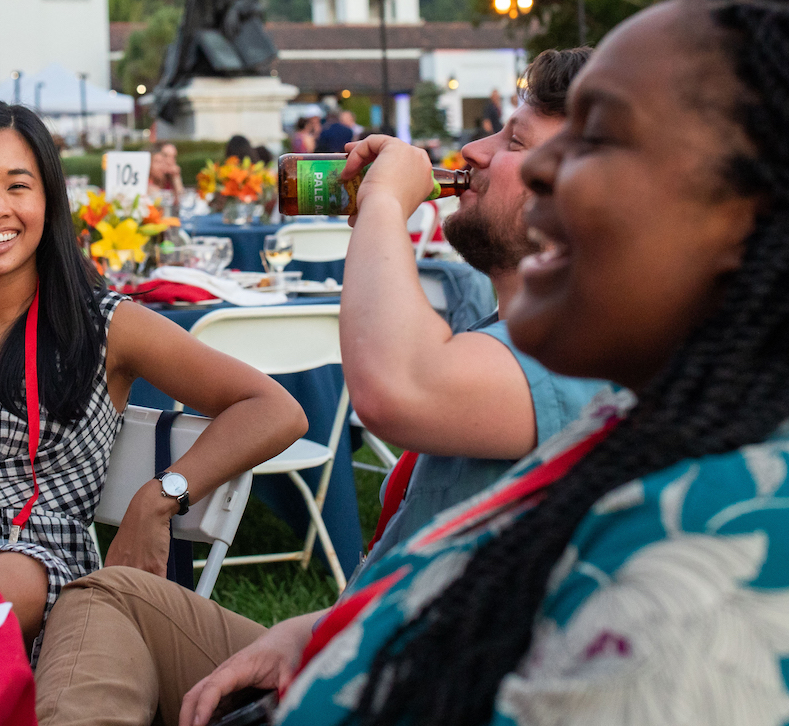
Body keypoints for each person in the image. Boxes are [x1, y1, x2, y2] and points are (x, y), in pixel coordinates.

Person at [268, 0, 789, 724]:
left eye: (597, 137)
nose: (541, 168)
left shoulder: (757, 555)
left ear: (754, 218)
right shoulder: (703, 439)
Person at [32, 49, 607, 726]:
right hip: (365, 641)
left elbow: (397, 387)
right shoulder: (504, 336)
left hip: (411, 688)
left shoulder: (582, 354)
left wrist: (386, 202)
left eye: (513, 140)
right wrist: (314, 626)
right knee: (108, 595)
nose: (472, 152)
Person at [0, 102, 307, 647]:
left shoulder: (106, 324)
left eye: (18, 186)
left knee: (12, 581)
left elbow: (275, 409)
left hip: (46, 582)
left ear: (49, 202)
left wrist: (159, 498)